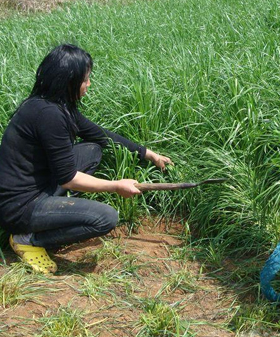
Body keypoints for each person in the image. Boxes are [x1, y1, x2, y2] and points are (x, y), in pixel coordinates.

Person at [0, 44, 172, 274]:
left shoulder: (55, 105)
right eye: (85, 79)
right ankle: (29, 237)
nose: (88, 85)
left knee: (92, 150)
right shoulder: (49, 115)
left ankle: (58, 212)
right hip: (19, 206)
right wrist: (116, 186)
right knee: (106, 218)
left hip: (36, 185)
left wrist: (148, 154)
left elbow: (100, 135)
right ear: (67, 81)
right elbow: (68, 178)